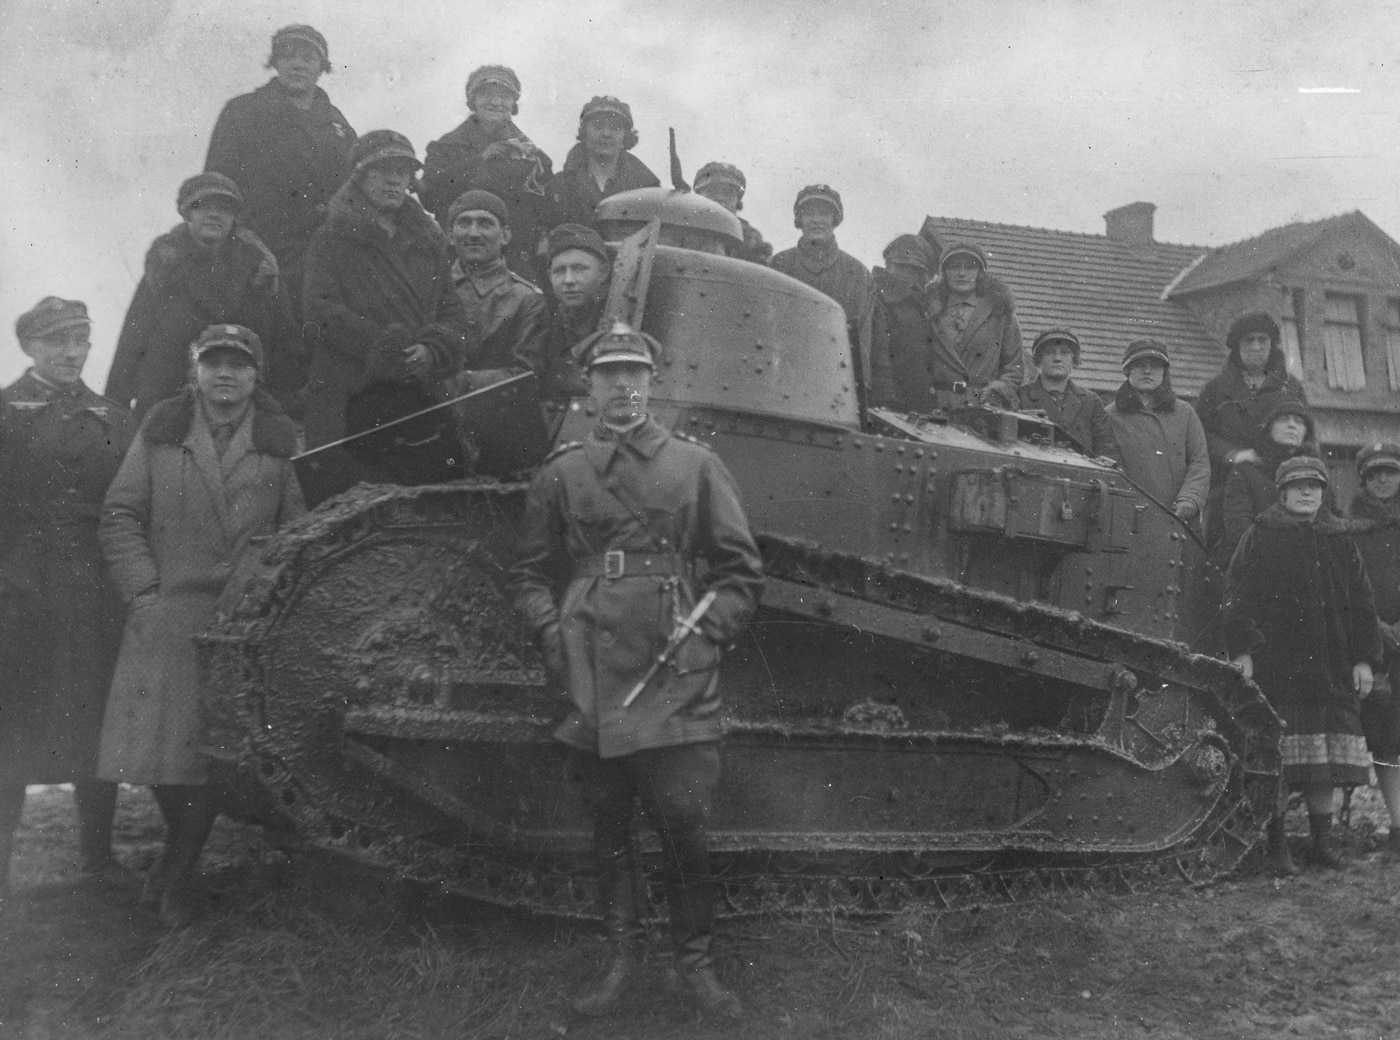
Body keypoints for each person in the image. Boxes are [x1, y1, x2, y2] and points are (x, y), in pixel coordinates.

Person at [511, 321, 763, 1020]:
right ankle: (621, 962)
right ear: (588, 387)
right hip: (591, 665)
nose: (621, 386)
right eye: (607, 374)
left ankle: (696, 968)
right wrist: (551, 631)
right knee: (608, 822)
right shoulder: (563, 471)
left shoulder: (696, 466)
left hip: (676, 662)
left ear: (653, 383)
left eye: (634, 374)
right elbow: (529, 572)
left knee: (683, 819)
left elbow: (742, 572)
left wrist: (705, 634)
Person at [99, 324, 305, 927]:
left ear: (255, 375)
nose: (225, 375)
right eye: (212, 363)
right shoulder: (162, 431)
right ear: (194, 371)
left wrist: (266, 594)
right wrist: (144, 592)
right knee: (163, 756)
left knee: (218, 757)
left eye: (238, 365)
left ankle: (177, 875)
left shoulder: (275, 438)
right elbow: (120, 513)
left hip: (244, 625)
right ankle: (177, 865)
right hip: (170, 616)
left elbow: (298, 528)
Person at [0, 299, 135, 906]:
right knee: (12, 731)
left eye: (79, 339)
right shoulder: (3, 412)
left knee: (93, 724)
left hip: (94, 594)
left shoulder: (111, 415)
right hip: (17, 595)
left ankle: (99, 857)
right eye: (56, 342)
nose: (70, 352)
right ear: (30, 348)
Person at [1223, 456, 1380, 874]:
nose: (1306, 492)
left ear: (1324, 492)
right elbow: (1237, 596)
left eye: (1314, 485)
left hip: (1331, 667)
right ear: (1282, 493)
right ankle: (1277, 848)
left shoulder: (1339, 539)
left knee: (1322, 765)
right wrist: (1242, 650)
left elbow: (1363, 604)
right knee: (1281, 761)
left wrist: (1364, 658)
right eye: (1297, 486)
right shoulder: (1261, 535)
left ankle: (1322, 845)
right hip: (1278, 667)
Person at [301, 130, 468, 502]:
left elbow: (453, 309)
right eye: (382, 170)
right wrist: (383, 347)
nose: (395, 179)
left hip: (421, 395)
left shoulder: (428, 240)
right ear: (359, 177)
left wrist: (432, 349)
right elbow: (318, 310)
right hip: (351, 397)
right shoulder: (331, 238)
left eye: (404, 171)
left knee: (430, 508)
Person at [105, 173, 302, 422]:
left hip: (241, 406)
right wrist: (115, 413)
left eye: (224, 209)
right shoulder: (164, 270)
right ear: (186, 214)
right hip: (167, 405)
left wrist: (286, 405)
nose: (214, 215)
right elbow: (132, 343)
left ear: (234, 219)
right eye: (201, 207)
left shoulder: (261, 272)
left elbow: (285, 342)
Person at [204, 24, 356, 318]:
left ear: (321, 67)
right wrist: (244, 239)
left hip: (321, 253)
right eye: (288, 56)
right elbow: (216, 184)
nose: (298, 64)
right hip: (257, 248)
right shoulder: (243, 111)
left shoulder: (337, 123)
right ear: (274, 63)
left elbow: (354, 186)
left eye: (308, 58)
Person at [421, 65, 555, 282]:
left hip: (516, 261)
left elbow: (546, 204)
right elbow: (429, 194)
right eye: (486, 94)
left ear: (513, 104)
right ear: (472, 101)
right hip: (460, 259)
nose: (495, 102)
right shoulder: (445, 148)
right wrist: (480, 160)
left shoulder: (534, 156)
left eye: (504, 96)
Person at [1195, 311, 1307, 548]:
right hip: (1227, 488)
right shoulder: (1215, 390)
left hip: (1279, 485)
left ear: (1272, 344)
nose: (1255, 346)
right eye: (1248, 340)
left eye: (1262, 339)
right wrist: (1233, 455)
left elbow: (1308, 435)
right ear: (1236, 346)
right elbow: (1199, 435)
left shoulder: (1292, 388)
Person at [771, 185, 883, 403]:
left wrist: (863, 389)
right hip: (784, 379)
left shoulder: (857, 274)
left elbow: (863, 339)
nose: (817, 220)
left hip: (839, 385)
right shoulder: (780, 265)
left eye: (824, 213)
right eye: (809, 213)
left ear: (835, 219)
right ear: (799, 220)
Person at [1343, 442, 1400, 860]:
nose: (1384, 480)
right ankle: (1399, 825)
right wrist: (1379, 629)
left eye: (1391, 472)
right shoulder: (1349, 528)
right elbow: (1348, 587)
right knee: (1386, 739)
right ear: (1363, 479)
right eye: (1375, 473)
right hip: (1375, 645)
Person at [446, 190, 547, 390]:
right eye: (464, 223)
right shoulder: (431, 289)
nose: (473, 233)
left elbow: (525, 374)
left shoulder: (526, 299)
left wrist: (457, 383)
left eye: (485, 223)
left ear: (505, 235)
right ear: (450, 236)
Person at [1106, 339, 1210, 524]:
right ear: (1127, 370)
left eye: (1155, 365)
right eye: (1139, 365)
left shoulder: (1184, 414)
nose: (1147, 371)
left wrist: (1189, 499)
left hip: (1178, 520)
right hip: (1129, 520)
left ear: (1164, 372)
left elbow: (1199, 462)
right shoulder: (1109, 416)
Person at [921, 242, 1025, 407]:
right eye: (955, 267)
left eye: (970, 267)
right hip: (935, 403)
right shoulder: (928, 311)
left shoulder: (999, 312)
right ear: (944, 273)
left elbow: (1014, 366)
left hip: (982, 406)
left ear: (980, 273)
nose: (962, 273)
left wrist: (998, 392)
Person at [1216, 399, 1320, 565]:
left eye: (1300, 422)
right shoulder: (1246, 472)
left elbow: (1329, 523)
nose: (1292, 425)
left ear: (1306, 433)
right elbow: (1239, 529)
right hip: (1258, 566)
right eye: (1284, 419)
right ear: (1269, 427)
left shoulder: (1315, 475)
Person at [547, 97, 659, 229]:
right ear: (584, 131)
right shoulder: (559, 186)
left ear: (625, 135)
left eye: (615, 127)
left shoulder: (647, 190)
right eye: (598, 126)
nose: (606, 133)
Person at [1018, 328, 1121, 461]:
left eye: (1065, 353)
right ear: (1038, 359)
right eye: (1049, 353)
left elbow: (1108, 449)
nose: (1057, 358)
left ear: (1074, 360)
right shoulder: (1021, 397)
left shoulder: (1091, 402)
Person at [538, 223, 612, 404]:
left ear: (603, 272)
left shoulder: (617, 314)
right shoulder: (550, 320)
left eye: (580, 269)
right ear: (549, 275)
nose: (568, 280)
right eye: (559, 271)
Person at [693, 162, 771, 264]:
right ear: (699, 195)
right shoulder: (681, 225)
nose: (720, 197)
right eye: (712, 191)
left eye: (728, 193)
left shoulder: (750, 237)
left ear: (737, 200)